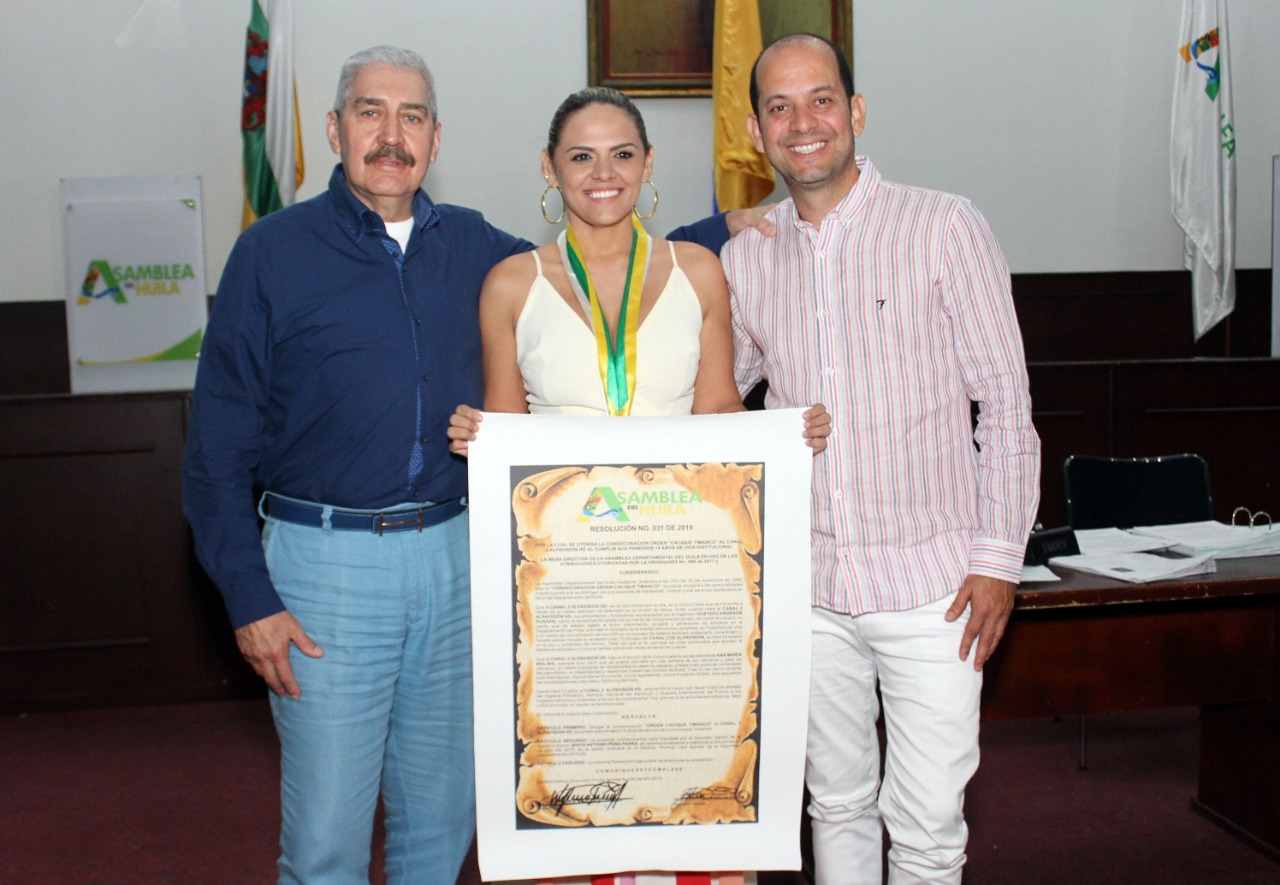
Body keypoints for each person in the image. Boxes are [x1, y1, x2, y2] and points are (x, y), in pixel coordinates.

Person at [184, 47, 775, 884]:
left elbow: (597, 248)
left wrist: (730, 228)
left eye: (412, 117)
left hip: (462, 561)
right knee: (324, 837)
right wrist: (248, 596)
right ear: (335, 127)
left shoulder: (474, 247)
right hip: (326, 569)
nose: (392, 135)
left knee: (444, 824)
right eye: (370, 112)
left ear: (434, 136)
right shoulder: (270, 254)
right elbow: (213, 449)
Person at [447, 87, 828, 885]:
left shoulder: (701, 271)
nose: (603, 173)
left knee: (688, 781)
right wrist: (478, 441)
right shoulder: (510, 285)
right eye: (580, 156)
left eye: (622, 153)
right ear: (550, 169)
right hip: (568, 596)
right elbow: (510, 452)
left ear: (649, 164)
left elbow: (723, 419)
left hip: (686, 577)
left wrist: (783, 436)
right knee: (579, 803)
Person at [720, 35, 1041, 885]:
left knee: (930, 825)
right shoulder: (745, 255)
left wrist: (998, 559)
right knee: (836, 804)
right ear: (756, 133)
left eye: (821, 100)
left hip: (936, 589)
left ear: (855, 113)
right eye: (780, 108)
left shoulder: (944, 226)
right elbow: (712, 405)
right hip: (813, 587)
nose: (803, 123)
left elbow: (1004, 403)